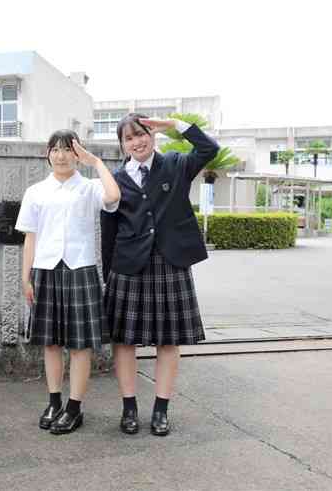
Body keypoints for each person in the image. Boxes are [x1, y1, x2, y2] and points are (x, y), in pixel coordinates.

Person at [101, 114, 219, 437]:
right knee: (124, 340)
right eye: (129, 138)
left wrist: (174, 125)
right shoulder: (116, 179)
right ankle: (129, 408)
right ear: (122, 145)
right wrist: (107, 273)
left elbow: (209, 149)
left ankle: (161, 409)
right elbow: (108, 230)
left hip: (171, 263)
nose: (137, 142)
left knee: (169, 340)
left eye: (141, 134)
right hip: (128, 266)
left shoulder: (176, 165)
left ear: (151, 135)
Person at [15, 130, 120, 435]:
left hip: (80, 269)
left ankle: (74, 408)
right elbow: (30, 237)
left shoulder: (89, 187)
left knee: (79, 345)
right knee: (50, 342)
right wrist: (26, 277)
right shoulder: (36, 191)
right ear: (47, 154)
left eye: (67, 149)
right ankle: (54, 402)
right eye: (55, 149)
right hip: (46, 270)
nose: (60, 155)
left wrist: (96, 161)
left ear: (77, 153)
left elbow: (113, 197)